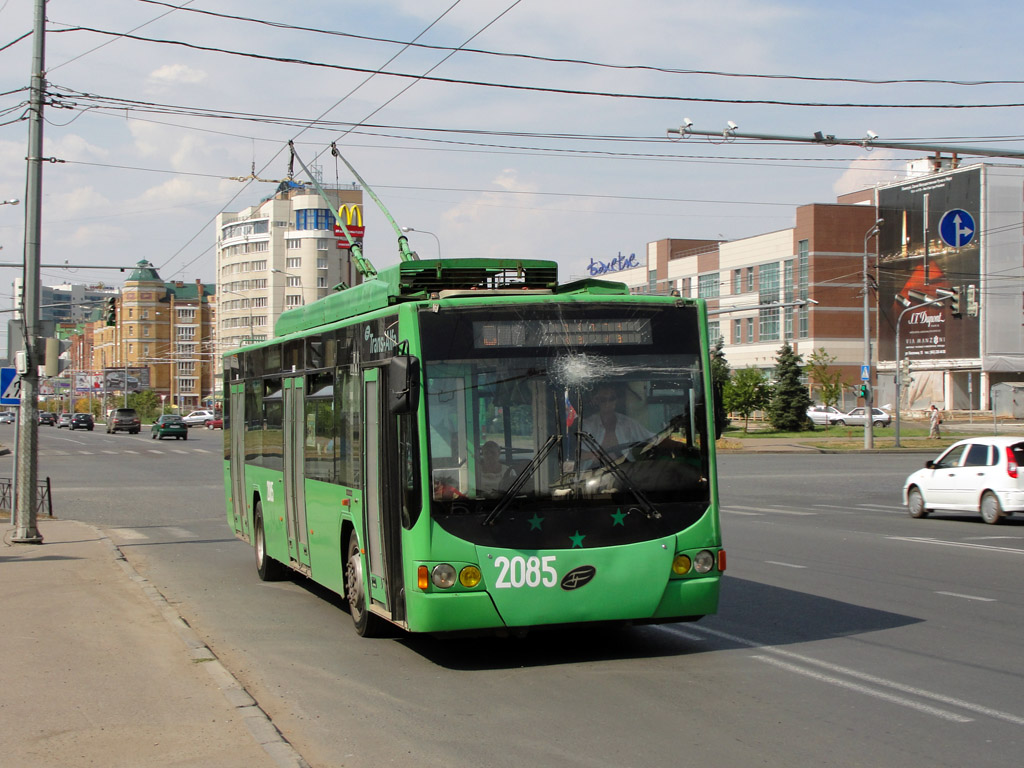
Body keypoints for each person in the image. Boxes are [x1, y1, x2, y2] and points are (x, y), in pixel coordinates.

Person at [580, 384, 654, 461]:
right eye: (603, 400)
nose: (607, 403)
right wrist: (596, 455)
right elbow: (579, 455)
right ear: (597, 401)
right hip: (595, 471)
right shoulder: (588, 425)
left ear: (616, 400)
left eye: (611, 399)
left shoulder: (628, 424)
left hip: (625, 471)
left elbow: (651, 439)